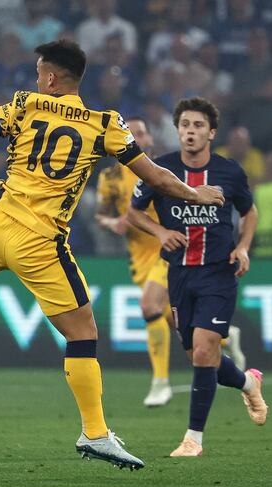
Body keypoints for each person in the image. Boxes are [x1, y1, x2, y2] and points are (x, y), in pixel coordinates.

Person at [0, 40, 225, 470]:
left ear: (50, 78)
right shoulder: (104, 124)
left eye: (38, 72)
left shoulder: (25, 105)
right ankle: (95, 433)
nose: (35, 79)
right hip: (39, 241)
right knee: (83, 334)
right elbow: (156, 176)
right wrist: (195, 193)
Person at [128, 97, 267, 457]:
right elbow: (133, 213)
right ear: (177, 130)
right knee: (199, 356)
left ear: (211, 132)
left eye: (198, 126)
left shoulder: (229, 172)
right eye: (185, 125)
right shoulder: (160, 170)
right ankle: (248, 382)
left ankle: (193, 439)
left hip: (219, 272)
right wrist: (159, 234)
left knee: (207, 348)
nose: (190, 132)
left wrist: (244, 246)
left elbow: (249, 213)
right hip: (179, 273)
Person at [95, 116, 173, 407]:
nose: (137, 137)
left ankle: (160, 382)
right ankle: (228, 338)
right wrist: (112, 222)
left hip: (169, 248)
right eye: (131, 133)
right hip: (139, 257)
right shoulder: (110, 178)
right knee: (172, 319)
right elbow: (101, 214)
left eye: (141, 132)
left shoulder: (162, 171)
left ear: (150, 140)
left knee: (149, 306)